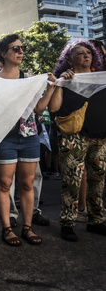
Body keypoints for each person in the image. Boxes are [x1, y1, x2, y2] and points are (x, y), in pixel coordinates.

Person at [0, 34, 57, 247]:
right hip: (4, 138)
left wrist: (50, 88)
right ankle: (8, 229)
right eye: (15, 48)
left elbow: (39, 109)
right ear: (3, 53)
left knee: (28, 184)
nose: (21, 52)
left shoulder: (30, 79)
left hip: (29, 136)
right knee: (4, 184)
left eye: (22, 48)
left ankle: (27, 227)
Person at [49, 40, 106, 241]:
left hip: (99, 137)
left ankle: (96, 221)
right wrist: (60, 84)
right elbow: (54, 109)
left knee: (97, 181)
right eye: (80, 53)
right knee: (71, 182)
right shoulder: (65, 80)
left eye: (88, 52)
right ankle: (67, 223)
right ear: (70, 60)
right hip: (73, 137)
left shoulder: (100, 79)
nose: (86, 55)